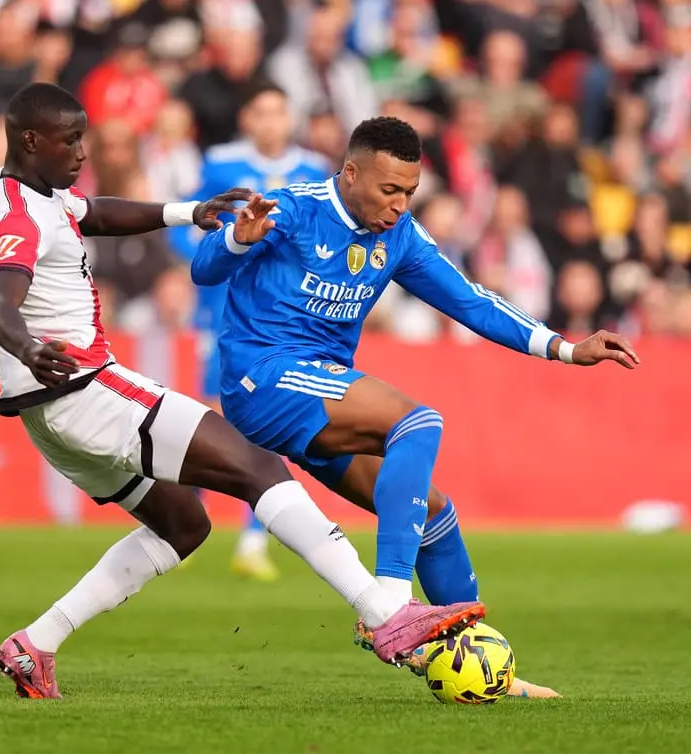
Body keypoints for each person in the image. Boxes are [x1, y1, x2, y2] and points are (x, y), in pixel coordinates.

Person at [0, 82, 484, 700]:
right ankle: (386, 615)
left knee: (183, 525)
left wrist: (186, 212)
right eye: (70, 139)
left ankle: (36, 644)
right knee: (258, 468)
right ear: (30, 140)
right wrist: (27, 345)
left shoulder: (36, 197)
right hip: (83, 386)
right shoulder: (15, 217)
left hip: (48, 413)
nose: (83, 151)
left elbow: (98, 213)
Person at [191, 116, 641, 699]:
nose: (400, 205)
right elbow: (204, 271)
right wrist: (233, 240)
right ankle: (393, 604)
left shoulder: (398, 235)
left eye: (410, 192)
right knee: (417, 421)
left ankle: (483, 669)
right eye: (389, 190)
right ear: (351, 173)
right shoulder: (294, 210)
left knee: (431, 511)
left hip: (320, 393)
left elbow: (471, 301)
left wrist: (564, 347)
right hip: (264, 379)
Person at [169, 79, 331, 582]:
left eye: (278, 113)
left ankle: (253, 539)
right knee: (208, 420)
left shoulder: (315, 171)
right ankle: (185, 521)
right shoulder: (221, 165)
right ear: (248, 120)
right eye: (260, 113)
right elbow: (186, 225)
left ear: (289, 119)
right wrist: (206, 259)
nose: (270, 123)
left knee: (268, 420)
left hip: (281, 319)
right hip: (218, 313)